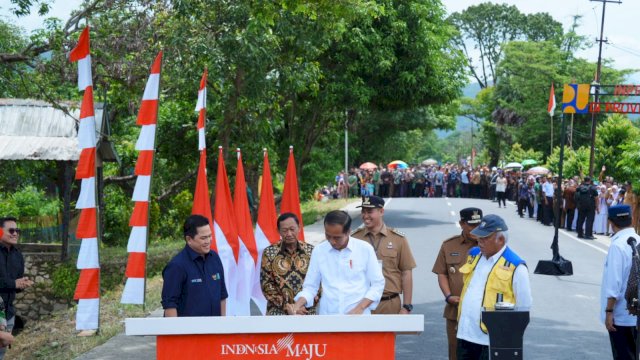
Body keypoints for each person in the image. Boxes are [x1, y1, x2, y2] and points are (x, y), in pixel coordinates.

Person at [456, 214, 532, 359]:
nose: (479, 242)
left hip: (492, 340)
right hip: (465, 335)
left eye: (485, 238)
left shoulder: (515, 266)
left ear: (501, 239)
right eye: (479, 237)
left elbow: (524, 307)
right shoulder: (474, 256)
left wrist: (507, 341)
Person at [291, 210, 385, 315]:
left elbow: (378, 284)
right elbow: (310, 287)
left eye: (337, 238)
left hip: (358, 317)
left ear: (348, 232)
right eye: (328, 236)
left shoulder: (364, 249)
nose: (332, 241)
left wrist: (360, 308)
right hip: (328, 316)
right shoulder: (319, 251)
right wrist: (298, 304)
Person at [351, 196, 416, 314]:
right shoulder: (354, 238)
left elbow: (406, 272)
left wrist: (407, 306)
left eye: (369, 212)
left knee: (387, 333)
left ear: (381, 211)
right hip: (359, 304)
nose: (365, 216)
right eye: (363, 212)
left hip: (389, 303)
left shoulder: (398, 239)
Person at [432, 207, 482, 360]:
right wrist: (448, 296)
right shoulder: (449, 245)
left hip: (481, 312)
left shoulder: (488, 245)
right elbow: (442, 273)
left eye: (479, 225)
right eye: (471, 225)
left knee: (481, 354)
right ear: (461, 224)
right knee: (455, 353)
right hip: (456, 310)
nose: (476, 229)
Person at [161, 214, 227, 317]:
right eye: (203, 238)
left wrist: (223, 327)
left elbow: (222, 295)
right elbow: (170, 305)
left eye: (210, 236)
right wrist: (175, 332)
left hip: (214, 329)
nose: (208, 241)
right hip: (188, 331)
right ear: (189, 240)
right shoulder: (176, 266)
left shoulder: (215, 258)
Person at [600, 205, 639, 359]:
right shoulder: (638, 240)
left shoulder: (617, 246)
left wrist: (609, 312)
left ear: (611, 222)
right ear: (632, 219)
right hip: (636, 313)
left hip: (622, 315)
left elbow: (613, 284)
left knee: (624, 355)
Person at [260, 213, 318, 315]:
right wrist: (288, 307)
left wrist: (301, 306)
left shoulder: (311, 251)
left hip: (306, 311)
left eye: (292, 229)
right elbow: (267, 285)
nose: (289, 234)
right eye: (285, 230)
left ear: (299, 228)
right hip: (278, 311)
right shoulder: (269, 253)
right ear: (278, 231)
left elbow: (319, 283)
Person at [0, 217, 33, 359]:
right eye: (11, 230)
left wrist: (22, 284)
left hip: (8, 314)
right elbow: (11, 283)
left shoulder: (18, 255)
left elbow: (16, 284)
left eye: (17, 230)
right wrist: (14, 283)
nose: (15, 234)